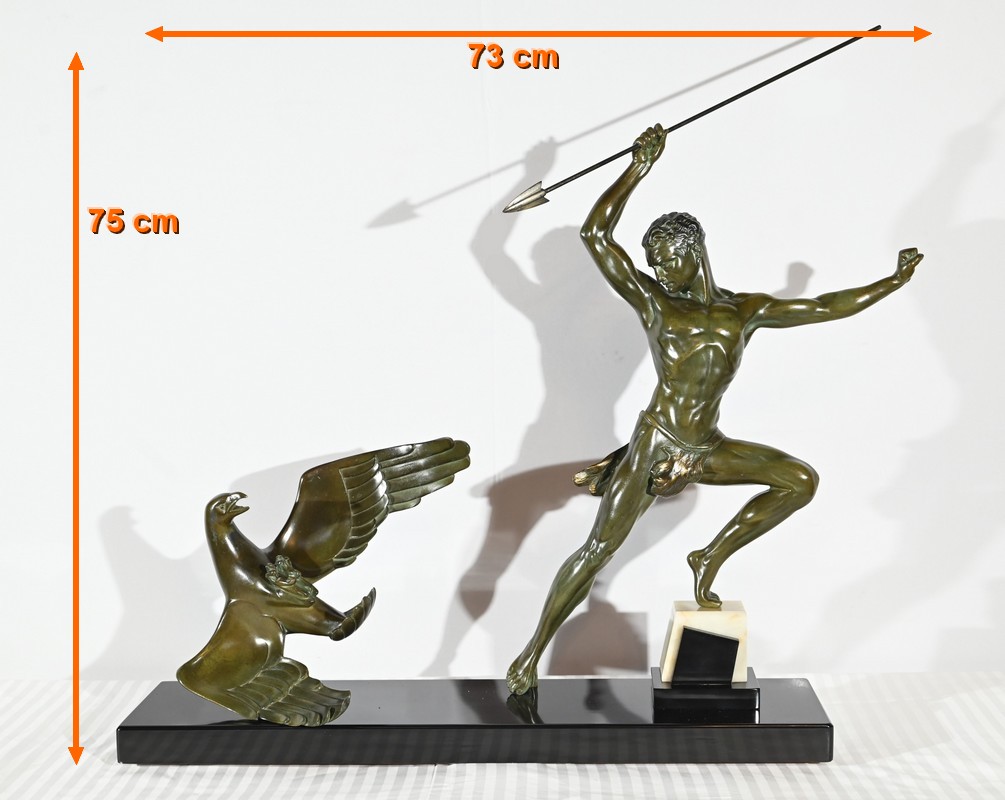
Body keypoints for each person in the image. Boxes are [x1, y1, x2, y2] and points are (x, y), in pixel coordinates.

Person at [506, 124, 923, 695]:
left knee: (799, 481)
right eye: (652, 262)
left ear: (692, 252)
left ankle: (708, 557)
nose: (657, 271)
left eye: (664, 260)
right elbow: (595, 234)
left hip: (706, 446)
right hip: (658, 443)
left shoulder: (742, 312)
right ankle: (530, 654)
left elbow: (824, 306)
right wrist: (638, 167)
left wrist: (892, 281)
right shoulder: (655, 304)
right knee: (600, 547)